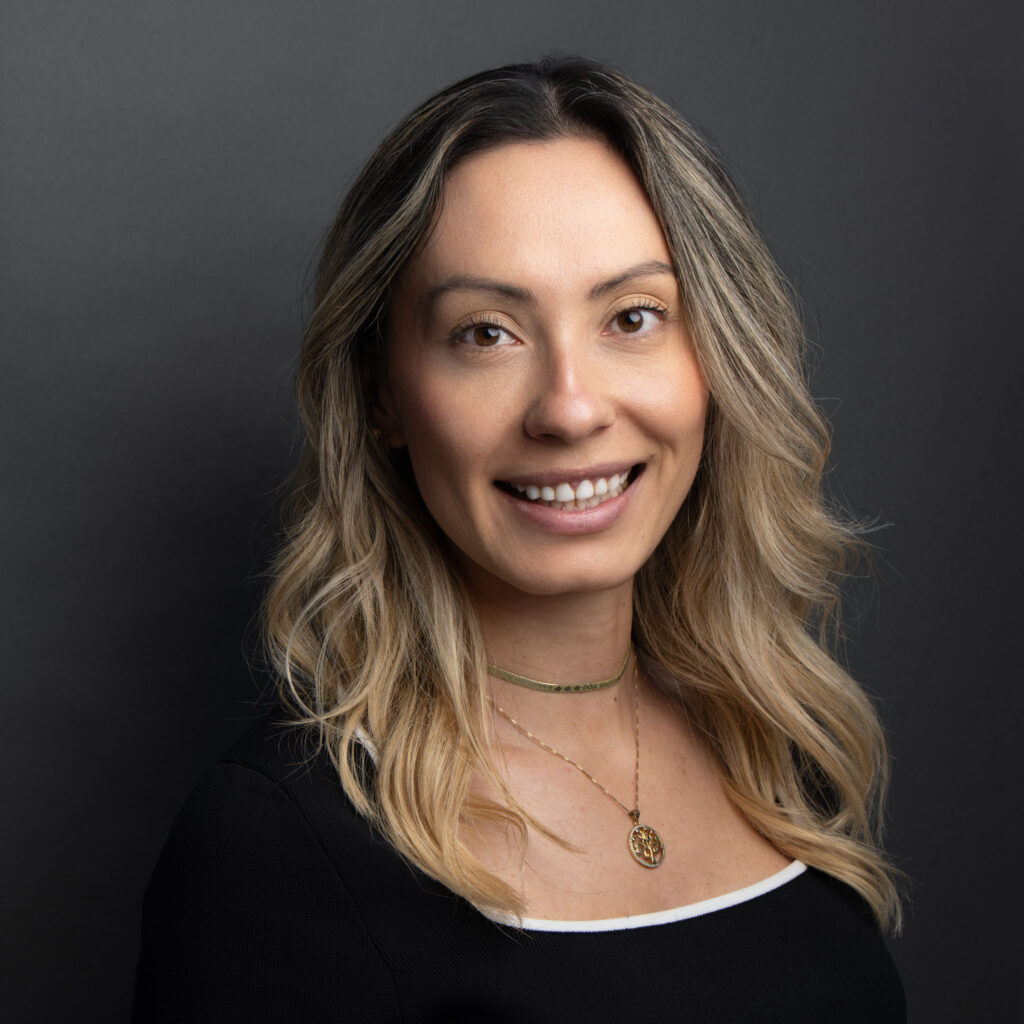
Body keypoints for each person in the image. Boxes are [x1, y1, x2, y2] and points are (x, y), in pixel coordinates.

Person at [132, 56, 905, 1022]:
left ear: (717, 359)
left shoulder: (777, 752)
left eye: (633, 316)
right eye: (487, 333)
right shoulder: (273, 847)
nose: (571, 408)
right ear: (383, 396)